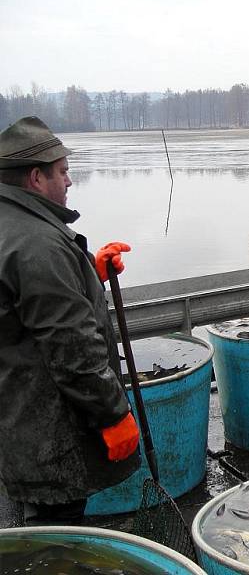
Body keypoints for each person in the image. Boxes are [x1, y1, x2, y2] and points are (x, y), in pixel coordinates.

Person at [0, 116, 140, 526]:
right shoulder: (38, 243)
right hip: (44, 429)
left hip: (15, 420)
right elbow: (73, 348)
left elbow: (20, 309)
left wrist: (87, 275)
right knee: (53, 535)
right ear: (36, 178)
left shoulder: (13, 226)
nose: (70, 181)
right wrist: (113, 415)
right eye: (63, 172)